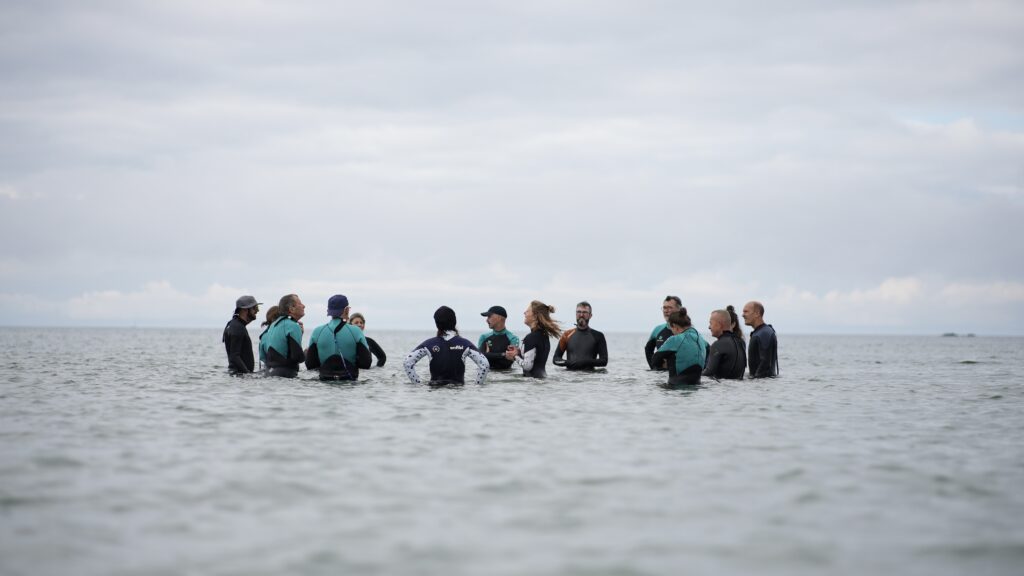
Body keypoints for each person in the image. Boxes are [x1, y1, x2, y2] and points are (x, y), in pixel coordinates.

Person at [404, 306, 490, 385]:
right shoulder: (465, 344)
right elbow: (484, 365)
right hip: (457, 391)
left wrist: (418, 385)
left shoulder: (428, 344)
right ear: (454, 322)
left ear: (437, 324)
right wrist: (477, 385)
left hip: (434, 391)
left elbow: (407, 362)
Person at [306, 295, 373, 381]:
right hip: (349, 381)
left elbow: (310, 364)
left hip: (324, 382)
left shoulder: (317, 331)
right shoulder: (356, 331)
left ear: (328, 311)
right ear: (346, 310)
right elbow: (366, 363)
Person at [651, 308, 709, 386]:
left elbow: (654, 360)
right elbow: (709, 351)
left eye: (671, 329)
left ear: (675, 326)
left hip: (676, 386)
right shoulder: (701, 339)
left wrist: (665, 364)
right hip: (697, 385)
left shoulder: (675, 339)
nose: (672, 332)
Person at [505, 300, 561, 378]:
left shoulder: (531, 337)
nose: (524, 313)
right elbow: (535, 360)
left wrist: (515, 356)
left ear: (535, 316)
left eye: (527, 311)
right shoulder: (544, 335)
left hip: (532, 383)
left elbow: (527, 366)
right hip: (542, 379)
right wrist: (518, 352)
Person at [258, 294, 306, 378]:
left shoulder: (272, 326)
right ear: (291, 309)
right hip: (286, 377)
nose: (304, 306)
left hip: (268, 375)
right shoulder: (293, 326)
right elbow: (298, 357)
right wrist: (306, 353)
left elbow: (263, 358)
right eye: (300, 303)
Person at [553, 301, 608, 371]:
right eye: (579, 312)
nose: (581, 315)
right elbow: (556, 359)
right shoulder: (566, 335)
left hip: (591, 378)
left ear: (590, 315)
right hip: (569, 379)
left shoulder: (598, 336)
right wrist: (570, 363)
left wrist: (583, 362)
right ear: (576, 314)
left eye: (585, 312)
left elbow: (604, 361)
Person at [702, 308, 747, 380]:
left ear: (719, 325)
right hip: (739, 389)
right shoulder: (741, 342)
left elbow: (708, 373)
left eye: (711, 323)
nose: (709, 327)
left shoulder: (718, 345)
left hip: (722, 389)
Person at [222, 295, 261, 374]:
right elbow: (234, 356)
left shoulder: (232, 324)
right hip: (239, 376)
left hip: (236, 375)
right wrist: (248, 374)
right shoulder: (238, 327)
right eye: (255, 308)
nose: (257, 311)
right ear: (245, 310)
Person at [743, 300, 779, 378]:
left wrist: (755, 382)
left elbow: (765, 363)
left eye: (746, 312)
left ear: (757, 314)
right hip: (762, 385)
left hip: (763, 386)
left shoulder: (764, 333)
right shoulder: (762, 332)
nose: (743, 315)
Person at [645, 295, 682, 370]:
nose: (666, 311)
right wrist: (654, 368)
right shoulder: (658, 329)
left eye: (670, 308)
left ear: (679, 309)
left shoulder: (687, 330)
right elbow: (648, 349)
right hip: (660, 376)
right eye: (664, 308)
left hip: (679, 376)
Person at [477, 305, 520, 370]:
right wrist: (503, 354)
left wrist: (488, 354)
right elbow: (479, 358)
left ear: (499, 317)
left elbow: (508, 362)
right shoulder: (484, 337)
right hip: (487, 376)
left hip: (506, 377)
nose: (486, 320)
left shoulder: (513, 338)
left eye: (489, 316)